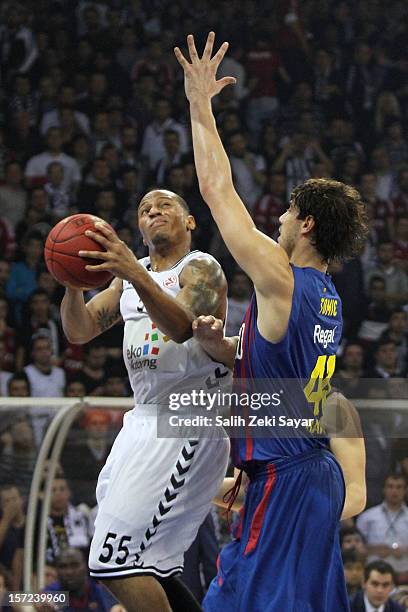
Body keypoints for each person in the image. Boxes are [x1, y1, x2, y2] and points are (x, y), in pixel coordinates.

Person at [175, 32, 368, 611]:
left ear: (305, 224)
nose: (278, 219)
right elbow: (302, 381)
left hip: (287, 477)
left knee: (231, 602)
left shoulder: (282, 278)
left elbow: (216, 190)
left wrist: (199, 104)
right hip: (307, 475)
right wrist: (231, 350)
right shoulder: (328, 296)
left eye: (286, 211)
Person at [60, 188, 231, 611]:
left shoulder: (201, 268)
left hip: (186, 423)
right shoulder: (128, 276)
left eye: (164, 205)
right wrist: (71, 284)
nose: (153, 210)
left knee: (111, 563)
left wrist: (136, 277)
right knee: (147, 565)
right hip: (142, 422)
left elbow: (181, 327)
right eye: (144, 209)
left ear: (189, 222)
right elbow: (78, 332)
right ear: (138, 227)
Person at [356, 474, 408, 582]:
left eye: (399, 487)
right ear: (384, 489)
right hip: (374, 576)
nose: (394, 491)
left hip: (405, 576)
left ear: (405, 490)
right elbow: (356, 548)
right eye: (390, 486)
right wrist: (373, 550)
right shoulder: (367, 517)